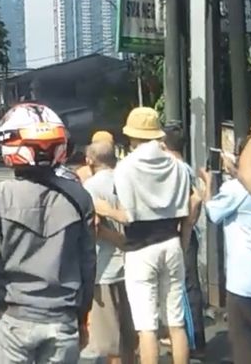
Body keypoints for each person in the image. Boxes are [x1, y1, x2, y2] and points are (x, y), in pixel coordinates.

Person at [0, 103, 96, 363]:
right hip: (63, 320)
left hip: (15, 319)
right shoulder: (80, 196)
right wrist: (82, 316)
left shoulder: (0, 194)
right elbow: (88, 264)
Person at [94, 107, 192, 364]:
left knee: (146, 327)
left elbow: (127, 215)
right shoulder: (178, 166)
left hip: (140, 248)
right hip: (171, 242)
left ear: (133, 136)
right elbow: (189, 208)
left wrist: (104, 210)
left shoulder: (126, 167)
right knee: (176, 323)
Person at [199, 140, 251, 364]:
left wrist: (208, 183)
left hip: (243, 279)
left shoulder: (234, 189)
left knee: (243, 341)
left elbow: (212, 213)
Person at [83, 141, 136, 364]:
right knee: (130, 337)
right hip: (133, 265)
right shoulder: (127, 180)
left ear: (90, 161)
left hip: (104, 268)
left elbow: (92, 227)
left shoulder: (89, 187)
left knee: (110, 344)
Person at [161, 122, 206, 357]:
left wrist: (185, 228)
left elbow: (195, 201)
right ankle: (189, 337)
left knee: (186, 286)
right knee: (187, 285)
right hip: (187, 232)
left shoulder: (174, 168)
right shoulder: (185, 167)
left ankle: (194, 340)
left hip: (182, 233)